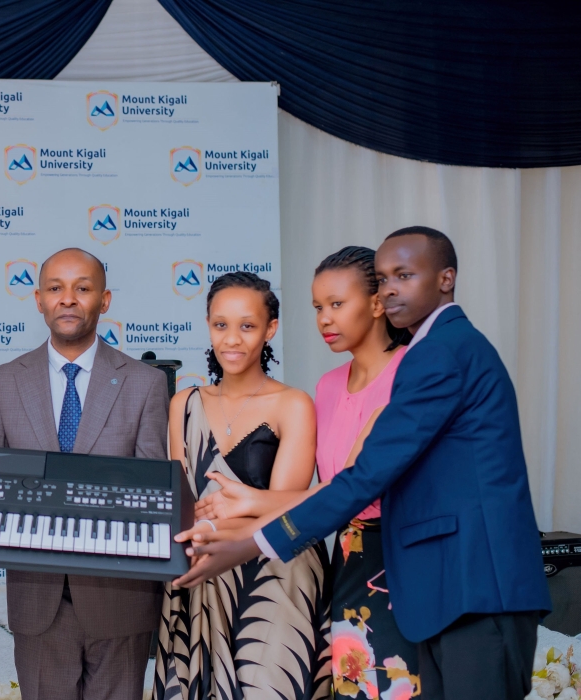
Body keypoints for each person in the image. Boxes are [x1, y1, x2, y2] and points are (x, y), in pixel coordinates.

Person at [176, 228, 552, 700]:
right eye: (384, 278)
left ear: (446, 279)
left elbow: (367, 477)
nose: (390, 289)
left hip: (473, 586)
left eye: (404, 276)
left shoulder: (438, 354)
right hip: (441, 587)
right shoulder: (439, 349)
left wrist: (250, 543)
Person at [190, 248, 418, 698]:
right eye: (317, 307)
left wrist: (251, 501)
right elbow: (329, 493)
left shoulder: (413, 373)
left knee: (401, 686)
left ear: (376, 304)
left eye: (336, 304)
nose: (324, 319)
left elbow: (354, 487)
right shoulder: (328, 386)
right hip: (346, 556)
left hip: (404, 555)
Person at [0, 248, 168, 700]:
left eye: (82, 288)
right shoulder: (2, 382)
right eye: (55, 288)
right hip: (37, 597)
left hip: (120, 596)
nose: (68, 299)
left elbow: (152, 495)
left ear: (104, 301)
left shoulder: (146, 384)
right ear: (39, 300)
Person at [153, 271, 331, 700]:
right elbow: (182, 501)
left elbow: (281, 508)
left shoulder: (293, 404)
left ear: (270, 329)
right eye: (221, 325)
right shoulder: (184, 403)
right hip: (199, 574)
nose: (232, 339)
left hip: (275, 577)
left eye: (247, 326)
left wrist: (217, 526)